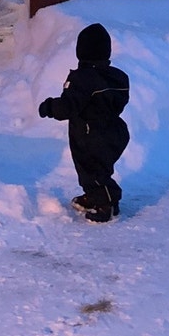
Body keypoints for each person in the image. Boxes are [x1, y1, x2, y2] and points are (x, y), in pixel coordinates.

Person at [38, 23, 130, 223]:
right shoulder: (117, 77)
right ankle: (102, 197)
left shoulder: (82, 78)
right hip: (114, 130)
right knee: (100, 169)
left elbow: (68, 106)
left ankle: (104, 205)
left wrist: (49, 107)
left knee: (92, 171)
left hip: (90, 134)